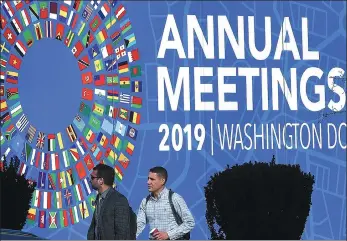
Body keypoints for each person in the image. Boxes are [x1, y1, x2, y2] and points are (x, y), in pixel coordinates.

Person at [136, 166, 195, 240]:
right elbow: (139, 225)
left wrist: (168, 235)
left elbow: (190, 222)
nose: (148, 182)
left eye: (152, 179)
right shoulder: (145, 201)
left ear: (162, 181)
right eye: (148, 178)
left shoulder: (174, 198)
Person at [87, 164, 131, 240]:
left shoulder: (119, 200)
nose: (90, 180)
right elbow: (95, 227)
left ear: (101, 181)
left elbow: (122, 233)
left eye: (92, 177)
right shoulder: (99, 198)